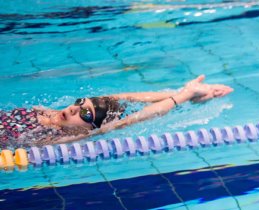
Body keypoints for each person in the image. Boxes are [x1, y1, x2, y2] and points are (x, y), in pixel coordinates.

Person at [0, 74, 233, 148]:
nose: (73, 110)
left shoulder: (61, 138)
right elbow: (120, 99)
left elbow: (133, 119)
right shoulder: (50, 114)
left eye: (85, 115)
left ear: (92, 128)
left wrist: (183, 96)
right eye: (79, 103)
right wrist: (186, 91)